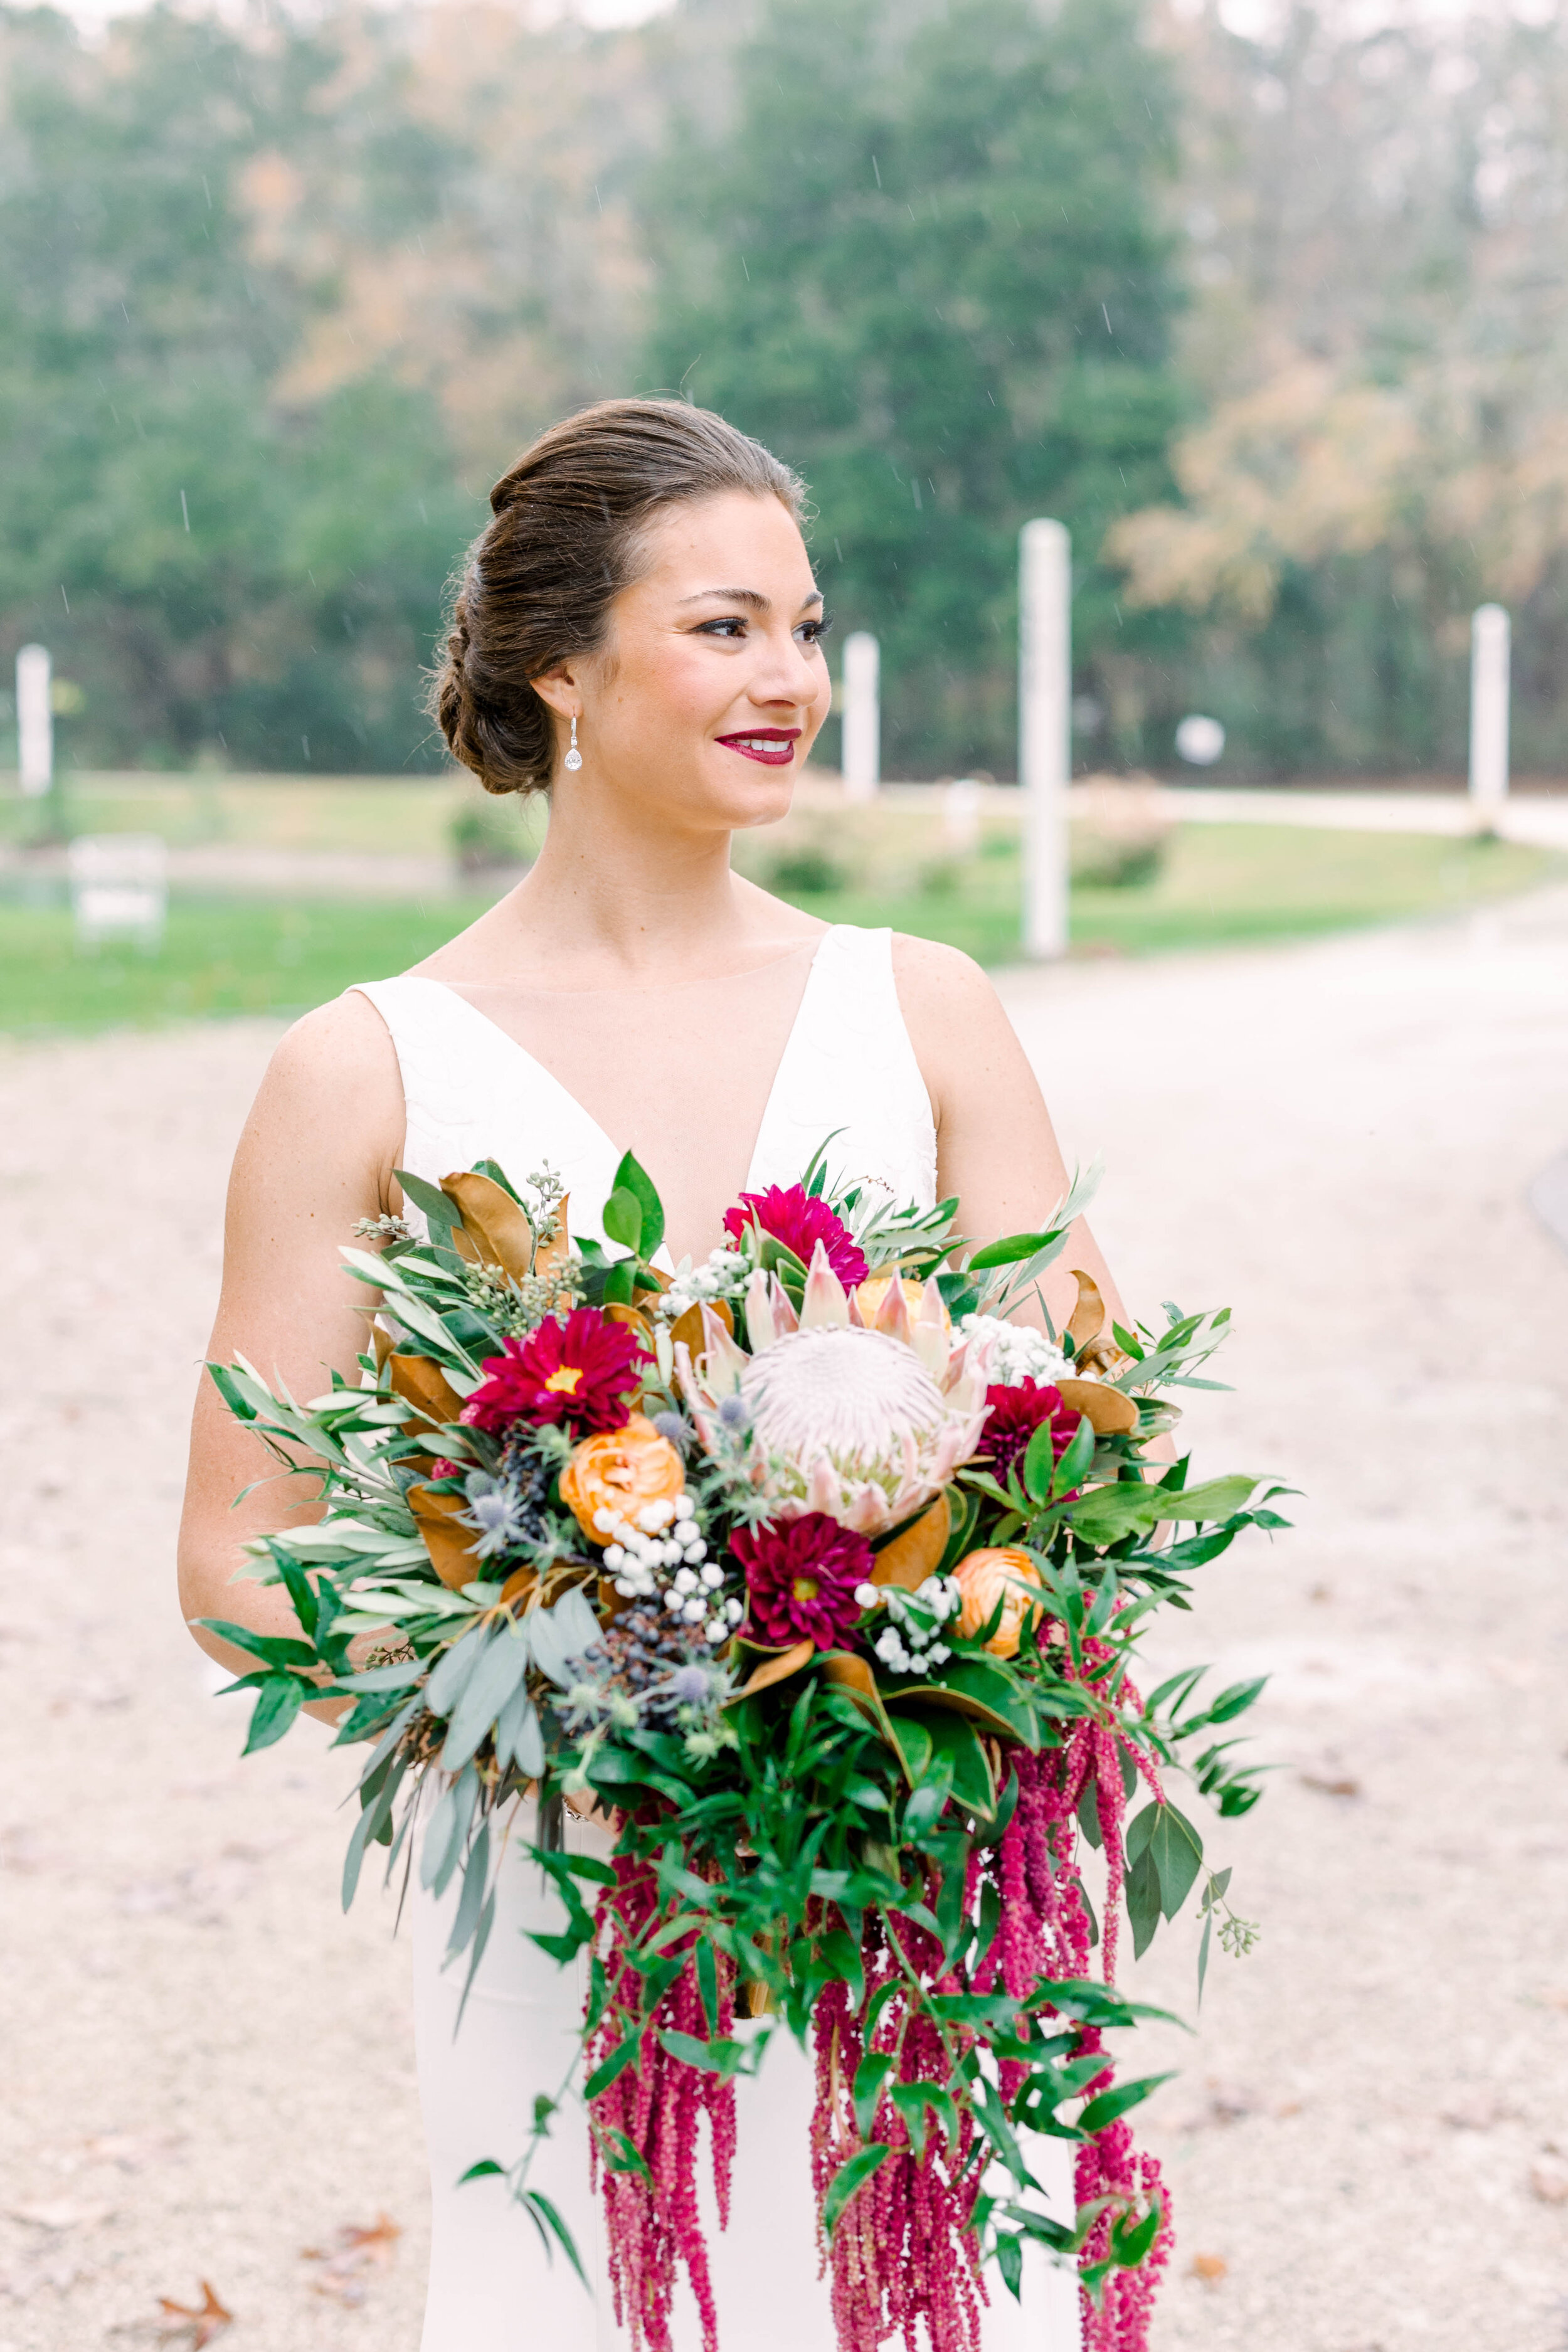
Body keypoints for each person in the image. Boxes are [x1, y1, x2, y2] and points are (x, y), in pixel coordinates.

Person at [179, 396, 1123, 2349]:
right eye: (723, 627)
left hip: (907, 1873)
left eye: (805, 625)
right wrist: (550, 1657)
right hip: (566, 1878)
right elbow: (232, 1555)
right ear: (560, 667)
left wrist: (922, 1600)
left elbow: (1092, 1435)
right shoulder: (366, 1073)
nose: (789, 676)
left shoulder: (919, 1009)